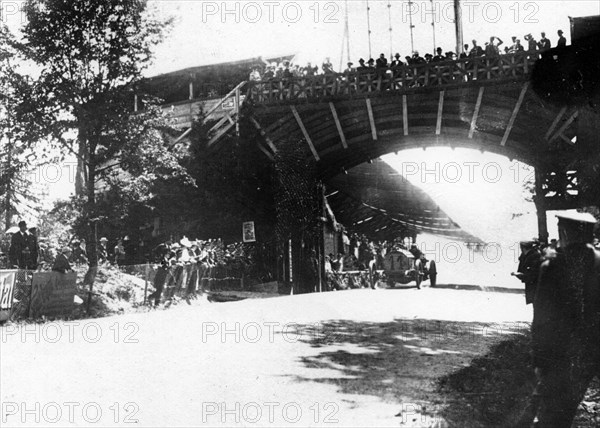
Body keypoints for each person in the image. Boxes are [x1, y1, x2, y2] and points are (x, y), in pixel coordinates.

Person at [519, 212, 600, 427]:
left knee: (553, 416)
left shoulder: (553, 267)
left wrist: (539, 359)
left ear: (564, 232)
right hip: (592, 353)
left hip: (560, 354)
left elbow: (543, 318)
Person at [512, 240, 543, 304]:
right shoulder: (530, 254)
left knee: (536, 303)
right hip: (534, 286)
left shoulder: (532, 256)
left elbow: (531, 275)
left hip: (535, 286)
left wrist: (520, 275)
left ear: (522, 248)